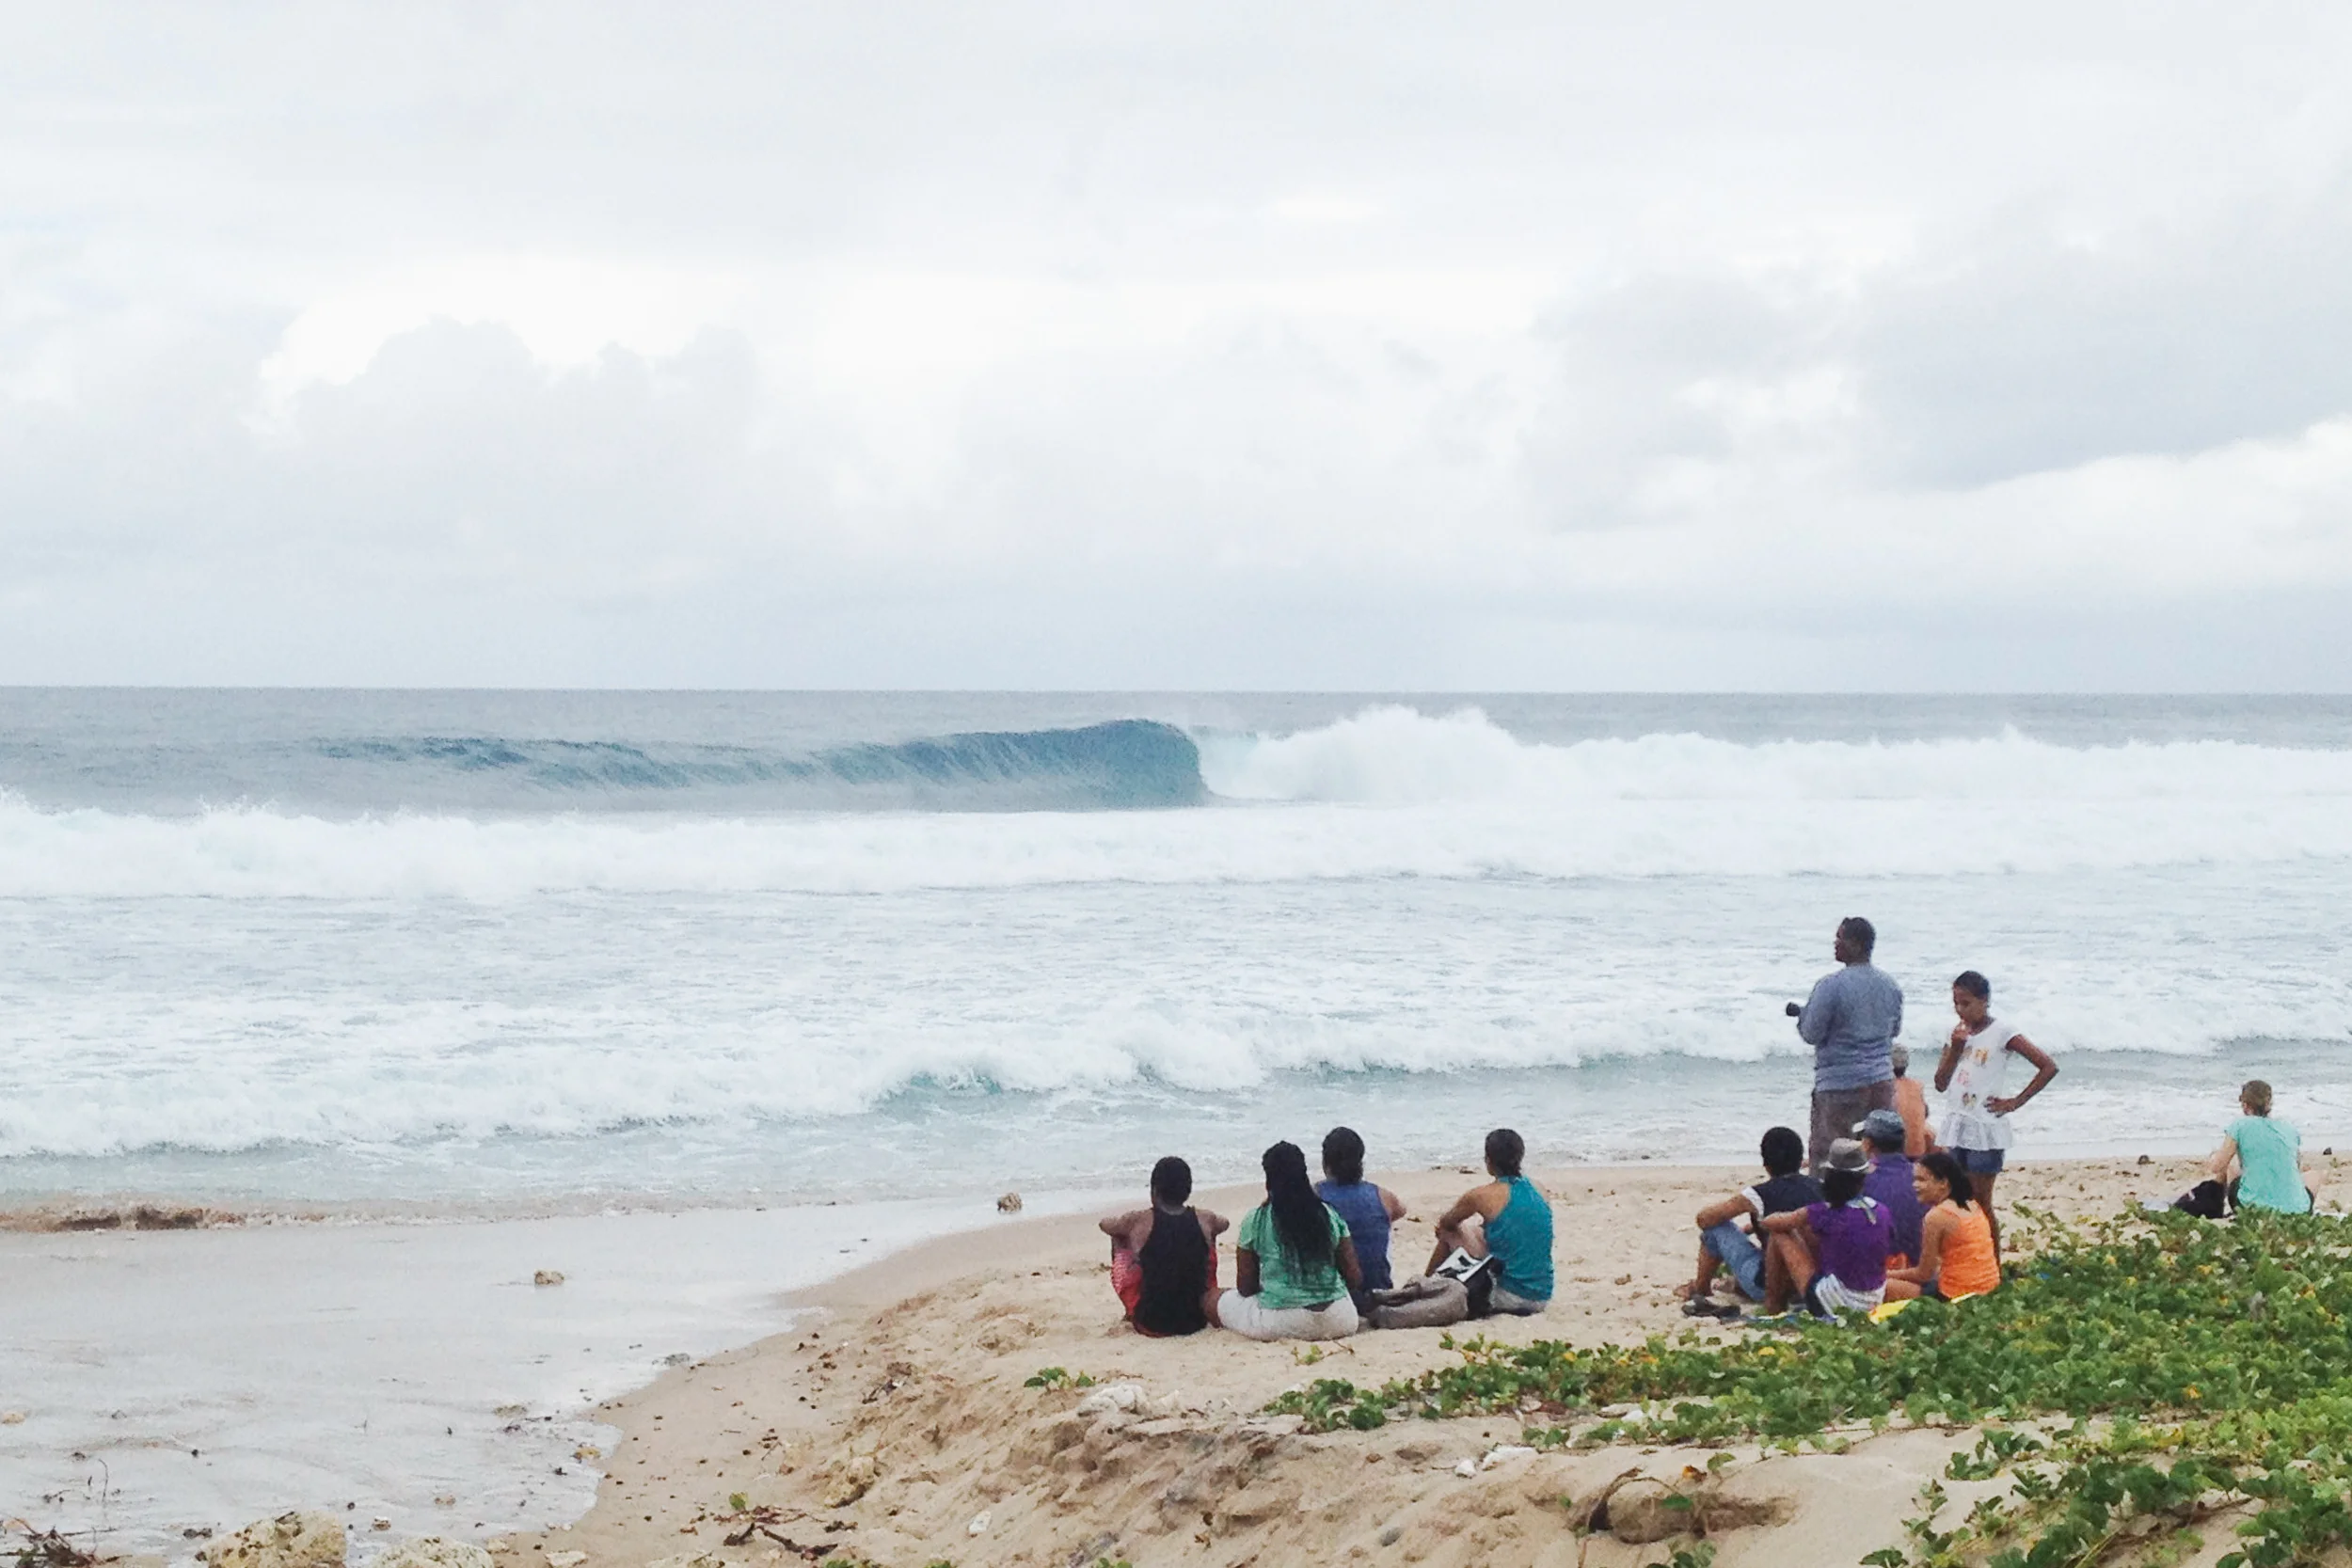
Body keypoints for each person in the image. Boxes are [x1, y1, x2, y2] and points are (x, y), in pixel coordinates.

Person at [1934, 971, 2058, 1256]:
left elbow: (2047, 1066)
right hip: (1958, 1123)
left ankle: (1993, 1262)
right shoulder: (1955, 1034)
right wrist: (1956, 1048)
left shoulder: (2002, 1032)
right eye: (1956, 1003)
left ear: (1984, 1001)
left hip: (1985, 1127)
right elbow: (1940, 1083)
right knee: (1957, 1197)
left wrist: (2015, 1102)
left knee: (1981, 1201)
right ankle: (1969, 1257)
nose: (1961, 1010)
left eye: (1966, 1003)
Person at [1207, 1141, 1362, 1340]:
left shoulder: (1256, 1219)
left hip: (1282, 1322)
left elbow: (1246, 1288)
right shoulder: (1329, 1214)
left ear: (1269, 1179)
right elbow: (1354, 1278)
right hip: (1340, 1319)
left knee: (1211, 1299)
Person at [1792, 916, 1905, 1172]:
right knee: (1877, 1156)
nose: (1835, 943)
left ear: (1855, 944)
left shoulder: (1830, 986)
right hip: (1881, 1082)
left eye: (1840, 938)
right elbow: (1894, 1030)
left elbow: (1811, 1033)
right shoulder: (1890, 985)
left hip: (1839, 1085)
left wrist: (1802, 1018)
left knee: (1829, 1157)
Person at [1676, 1126, 1822, 1318]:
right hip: (1813, 1279)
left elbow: (1704, 1219)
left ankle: (1701, 1288)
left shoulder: (1759, 1194)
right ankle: (1732, 1285)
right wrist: (1753, 1227)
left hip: (1768, 1284)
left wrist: (1746, 1212)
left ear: (1766, 1163)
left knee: (1714, 1230)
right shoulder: (1821, 1187)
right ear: (1800, 1159)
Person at [1426, 1129, 1554, 1315]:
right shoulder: (1539, 1189)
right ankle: (1428, 1284)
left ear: (1488, 1160)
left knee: (1450, 1231)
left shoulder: (1481, 1195)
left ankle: (1426, 1285)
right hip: (1542, 1294)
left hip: (1510, 1295)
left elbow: (1447, 1222)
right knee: (1479, 1230)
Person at [1757, 1139, 1889, 1318]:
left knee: (1780, 1234)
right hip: (1874, 1298)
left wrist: (1763, 1219)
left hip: (1836, 1302)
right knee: (1815, 1233)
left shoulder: (1824, 1212)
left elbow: (1773, 1223)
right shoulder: (1881, 1211)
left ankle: (1772, 1305)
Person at [1098, 1156, 1228, 1337]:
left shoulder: (1138, 1220)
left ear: (1154, 1190)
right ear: (1188, 1190)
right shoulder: (1205, 1218)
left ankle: (1130, 1311)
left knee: (1119, 1238)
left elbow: (1105, 1224)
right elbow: (1224, 1223)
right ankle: (1205, 1290)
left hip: (1150, 1322)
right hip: (1197, 1320)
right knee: (1208, 1241)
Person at [2176, 1080, 2312, 1217]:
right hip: (2298, 1209)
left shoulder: (2240, 1126)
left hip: (2253, 1208)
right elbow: (2296, 1164)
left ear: (2245, 1105)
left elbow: (2217, 1167)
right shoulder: (2288, 1128)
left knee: (2231, 1164)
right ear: (2269, 1103)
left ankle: (2223, 1207)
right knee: (2314, 1176)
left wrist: (2214, 1156)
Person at [1883, 1151, 2001, 1302]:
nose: (1915, 1185)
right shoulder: (1972, 1204)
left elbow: (1923, 1274)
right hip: (1989, 1287)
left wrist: (1885, 1274)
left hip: (1957, 1294)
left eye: (1921, 1180)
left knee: (1885, 1287)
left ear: (1943, 1183)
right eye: (1914, 1180)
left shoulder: (1937, 1216)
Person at [1315, 1126, 1407, 1316]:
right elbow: (1400, 1211)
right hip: (1379, 1294)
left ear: (1326, 1163)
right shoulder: (1383, 1196)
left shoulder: (1315, 1195)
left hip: (1336, 1298)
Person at [1855, 1108, 1926, 1269]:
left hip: (1882, 1267)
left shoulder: (1861, 1181)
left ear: (1868, 1143)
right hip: (1919, 1262)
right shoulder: (1924, 1176)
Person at [1890, 1045, 1935, 1158]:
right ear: (1907, 1064)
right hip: (1918, 1150)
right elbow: (1925, 1113)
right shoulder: (1917, 1085)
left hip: (1895, 1151)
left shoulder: (1885, 1088)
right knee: (1929, 1131)